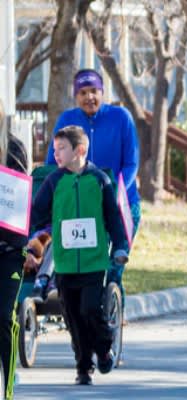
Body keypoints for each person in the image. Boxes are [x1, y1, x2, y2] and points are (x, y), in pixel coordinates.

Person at [29, 126, 130, 385]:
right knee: (73, 317)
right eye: (54, 149)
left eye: (61, 148)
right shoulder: (54, 181)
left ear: (80, 150)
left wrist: (119, 247)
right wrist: (21, 234)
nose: (56, 154)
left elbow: (113, 218)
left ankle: (104, 348)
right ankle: (84, 368)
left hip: (93, 262)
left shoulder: (99, 180)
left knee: (89, 310)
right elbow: (36, 214)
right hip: (63, 263)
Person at [49, 70, 140, 286]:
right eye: (83, 92)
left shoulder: (121, 117)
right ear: (76, 96)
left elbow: (131, 164)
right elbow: (54, 163)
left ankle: (113, 315)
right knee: (88, 271)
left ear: (102, 91)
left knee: (114, 270)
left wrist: (111, 192)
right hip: (83, 208)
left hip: (122, 205)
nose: (89, 97)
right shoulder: (67, 120)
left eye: (94, 91)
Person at [0, 103, 28, 399]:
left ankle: (7, 390)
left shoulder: (13, 148)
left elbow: (19, 203)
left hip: (8, 249)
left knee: (2, 317)